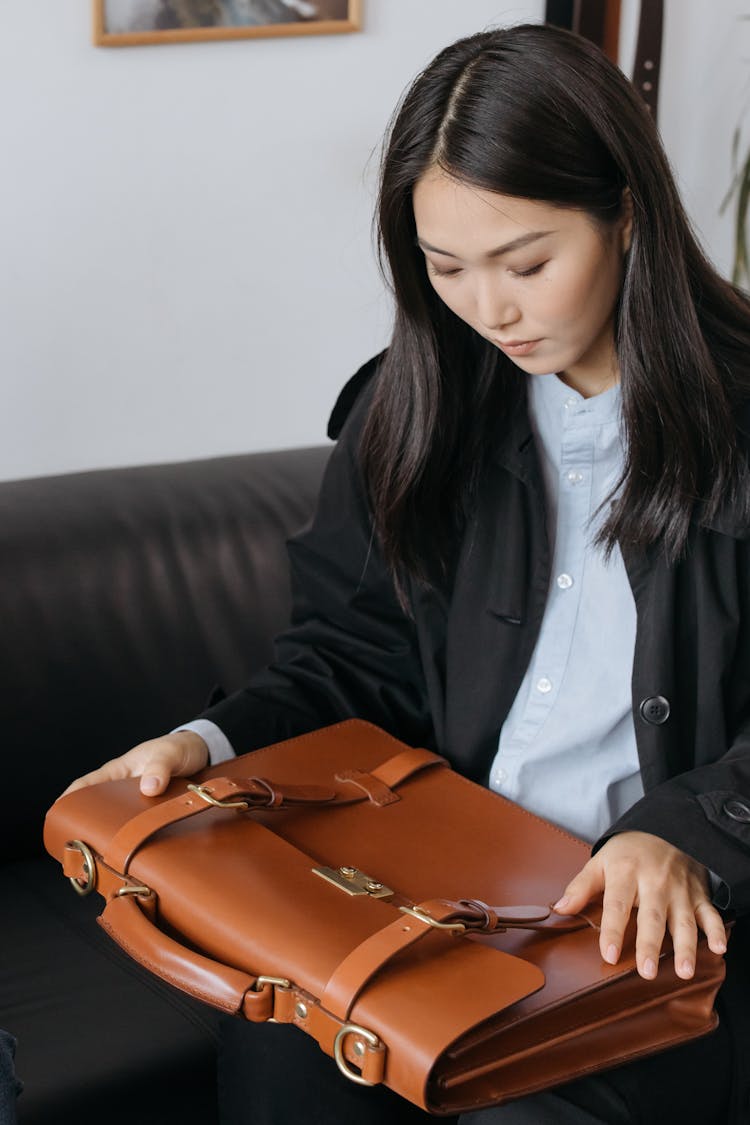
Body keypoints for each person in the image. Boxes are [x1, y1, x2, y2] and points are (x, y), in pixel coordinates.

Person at [64, 22, 750, 1125]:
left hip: (648, 925)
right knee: (289, 1057)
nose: (490, 309)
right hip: (432, 889)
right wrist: (214, 742)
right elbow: (351, 656)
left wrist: (689, 832)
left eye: (528, 262)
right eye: (446, 268)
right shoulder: (414, 406)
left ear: (627, 216)